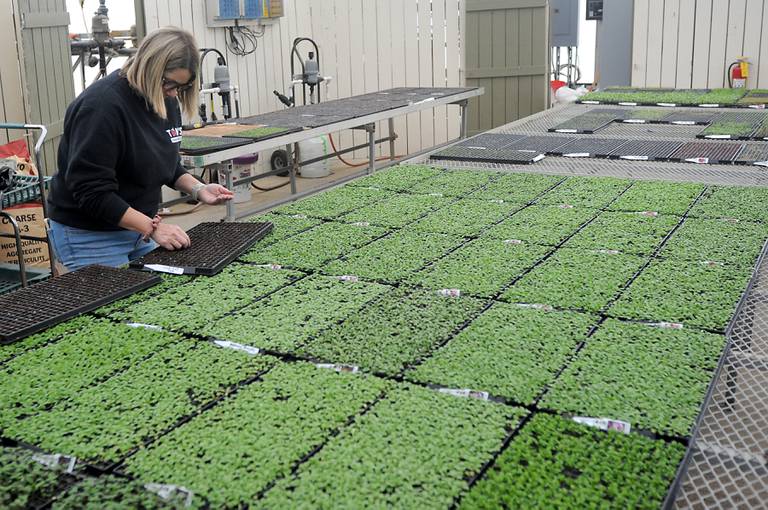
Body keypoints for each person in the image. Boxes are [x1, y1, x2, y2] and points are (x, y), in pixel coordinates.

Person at [47, 27, 232, 271]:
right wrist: (153, 228)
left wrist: (198, 189)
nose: (174, 93)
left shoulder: (164, 97)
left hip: (139, 229)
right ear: (150, 68)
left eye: (182, 87)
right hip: (91, 235)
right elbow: (91, 192)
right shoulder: (101, 108)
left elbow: (165, 164)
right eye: (170, 84)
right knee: (114, 307)